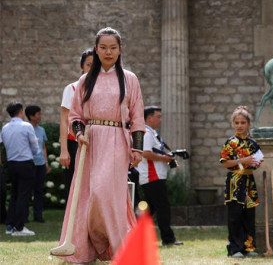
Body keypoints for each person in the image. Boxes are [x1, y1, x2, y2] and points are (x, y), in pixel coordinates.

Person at [57, 27, 145, 263]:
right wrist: (79, 134)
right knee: (88, 193)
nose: (108, 52)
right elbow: (75, 116)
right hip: (90, 142)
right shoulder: (86, 80)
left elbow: (137, 117)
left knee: (104, 193)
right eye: (103, 47)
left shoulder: (130, 79)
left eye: (113, 47)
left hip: (117, 139)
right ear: (96, 49)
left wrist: (136, 148)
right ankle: (86, 247)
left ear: (120, 49)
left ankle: (117, 247)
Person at [220, 106, 263, 258]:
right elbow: (225, 163)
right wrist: (242, 160)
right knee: (235, 216)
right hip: (235, 182)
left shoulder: (253, 144)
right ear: (233, 124)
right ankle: (235, 248)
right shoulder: (230, 143)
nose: (240, 125)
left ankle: (249, 247)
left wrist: (256, 163)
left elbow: (257, 161)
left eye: (243, 122)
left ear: (248, 124)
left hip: (249, 182)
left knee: (249, 215)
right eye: (237, 122)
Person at [136, 106, 183, 246]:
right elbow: (145, 153)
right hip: (152, 177)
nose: (161, 119)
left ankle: (134, 235)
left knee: (149, 210)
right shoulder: (146, 133)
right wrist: (165, 159)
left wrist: (166, 159)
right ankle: (168, 239)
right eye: (159, 116)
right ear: (149, 118)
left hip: (155, 177)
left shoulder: (152, 133)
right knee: (163, 208)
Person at [59, 48, 94, 203]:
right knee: (74, 186)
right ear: (81, 67)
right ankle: (72, 224)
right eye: (88, 65)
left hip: (97, 141)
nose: (92, 69)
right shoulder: (72, 88)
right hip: (75, 142)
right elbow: (64, 120)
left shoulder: (105, 88)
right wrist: (64, 151)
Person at [1, 102, 40, 236]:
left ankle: (10, 225)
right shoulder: (26, 126)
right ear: (21, 111)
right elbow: (35, 147)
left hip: (11, 164)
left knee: (14, 194)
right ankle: (19, 227)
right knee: (24, 195)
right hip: (25, 163)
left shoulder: (5, 128)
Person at [24, 105, 50, 223]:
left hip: (40, 164)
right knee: (27, 191)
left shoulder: (41, 130)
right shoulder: (25, 129)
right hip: (29, 164)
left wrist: (46, 162)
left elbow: (43, 147)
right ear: (31, 116)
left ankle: (38, 215)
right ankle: (24, 216)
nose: (40, 116)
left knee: (39, 190)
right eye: (38, 114)